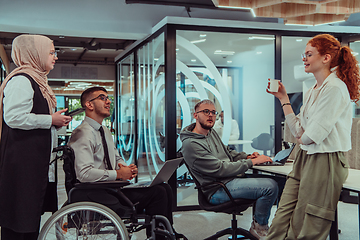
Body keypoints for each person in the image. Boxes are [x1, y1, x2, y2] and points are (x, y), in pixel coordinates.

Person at [266, 34, 360, 240]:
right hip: (305, 156)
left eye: (309, 54)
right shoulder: (311, 91)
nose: (304, 58)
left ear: (326, 58)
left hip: (326, 159)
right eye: (304, 54)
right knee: (283, 216)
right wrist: (283, 99)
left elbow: (312, 136)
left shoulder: (335, 88)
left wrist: (304, 136)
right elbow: (299, 132)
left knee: (308, 224)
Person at [68, 86, 186, 240]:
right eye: (102, 98)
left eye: (108, 98)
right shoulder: (83, 133)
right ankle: (161, 236)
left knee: (164, 187)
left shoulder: (104, 130)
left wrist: (124, 167)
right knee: (158, 193)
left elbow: (116, 157)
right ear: (89, 104)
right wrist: (117, 174)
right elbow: (84, 174)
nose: (108, 101)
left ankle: (164, 232)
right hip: (96, 192)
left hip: (110, 187)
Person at [0, 34, 72, 240]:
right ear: (35, 54)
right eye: (51, 52)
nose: (55, 57)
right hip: (22, 167)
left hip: (33, 165)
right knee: (20, 225)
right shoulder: (22, 80)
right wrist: (51, 120)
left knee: (28, 222)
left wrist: (55, 122)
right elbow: (13, 118)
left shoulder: (38, 81)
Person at [180, 99, 279, 240]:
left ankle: (277, 226)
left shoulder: (210, 132)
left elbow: (228, 153)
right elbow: (220, 169)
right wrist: (252, 162)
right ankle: (259, 228)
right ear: (195, 115)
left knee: (278, 181)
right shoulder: (191, 144)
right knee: (269, 187)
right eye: (206, 112)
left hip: (231, 180)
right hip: (217, 189)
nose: (210, 115)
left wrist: (247, 156)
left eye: (213, 112)